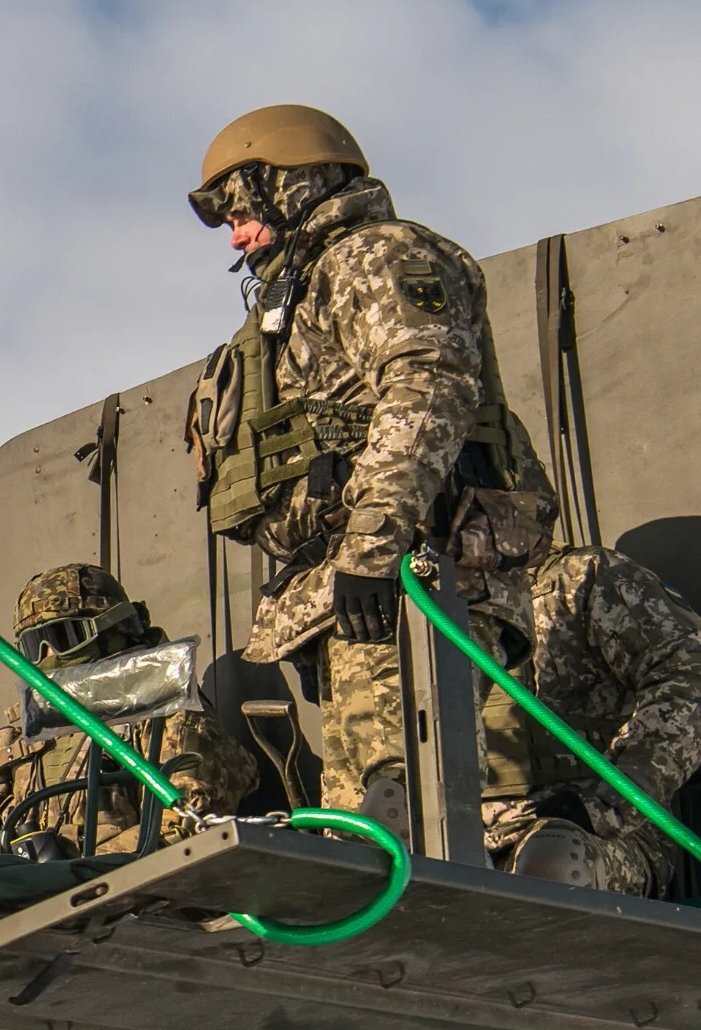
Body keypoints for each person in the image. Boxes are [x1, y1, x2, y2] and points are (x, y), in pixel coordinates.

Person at [185, 104, 547, 828]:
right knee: (362, 821)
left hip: (411, 575)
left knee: (406, 805)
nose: (236, 230)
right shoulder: (300, 290)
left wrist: (372, 546)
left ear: (288, 184)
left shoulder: (373, 257)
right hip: (351, 589)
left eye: (240, 204)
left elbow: (429, 382)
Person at [447, 490, 701, 894]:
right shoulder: (420, 596)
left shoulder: (585, 576)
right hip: (457, 835)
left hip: (591, 834)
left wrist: (604, 807)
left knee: (552, 861)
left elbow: (689, 679)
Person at [0, 563, 256, 860]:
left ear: (115, 630)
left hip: (135, 901)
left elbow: (186, 830)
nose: (49, 655)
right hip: (32, 901)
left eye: (63, 638)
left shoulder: (169, 719)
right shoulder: (13, 747)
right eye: (33, 647)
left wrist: (70, 862)